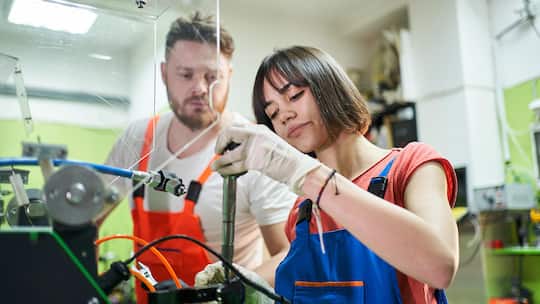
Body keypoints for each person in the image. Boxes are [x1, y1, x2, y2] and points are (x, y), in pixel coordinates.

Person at [211, 46, 459, 303]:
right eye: (273, 113)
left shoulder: (411, 166)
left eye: (294, 95)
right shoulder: (303, 211)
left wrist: (307, 176)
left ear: (329, 85)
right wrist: (247, 282)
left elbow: (440, 267)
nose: (284, 115)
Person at [102, 12, 296, 303]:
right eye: (186, 74)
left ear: (229, 75)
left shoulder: (253, 148)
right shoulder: (136, 139)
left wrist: (241, 285)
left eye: (212, 76)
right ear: (164, 73)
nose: (201, 88)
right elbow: (83, 221)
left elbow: (288, 255)